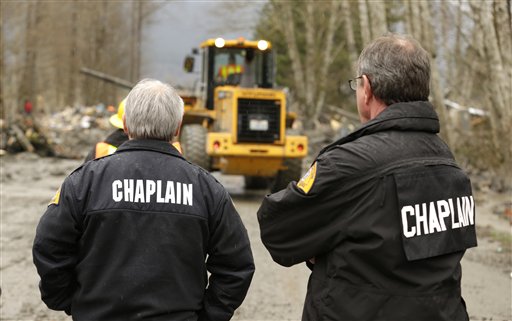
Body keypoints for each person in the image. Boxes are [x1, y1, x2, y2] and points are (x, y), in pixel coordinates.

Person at [257, 34, 477, 321]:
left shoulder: (348, 164)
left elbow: (279, 231)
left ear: (367, 88)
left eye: (357, 84)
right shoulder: (448, 163)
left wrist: (324, 244)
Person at [33, 78, 255, 321]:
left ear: (125, 124)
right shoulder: (207, 190)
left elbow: (49, 246)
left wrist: (72, 301)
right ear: (178, 127)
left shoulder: (84, 182)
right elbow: (236, 265)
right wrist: (208, 315)